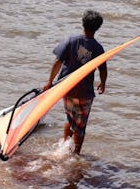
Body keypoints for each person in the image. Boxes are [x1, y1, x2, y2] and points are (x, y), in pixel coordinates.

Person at [43, 10, 107, 155]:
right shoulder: (98, 48)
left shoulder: (71, 40)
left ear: (82, 23)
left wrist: (49, 81)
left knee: (71, 118)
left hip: (67, 89)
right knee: (80, 125)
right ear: (98, 28)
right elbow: (103, 69)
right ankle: (75, 154)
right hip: (84, 94)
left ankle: (64, 148)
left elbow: (58, 61)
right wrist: (103, 83)